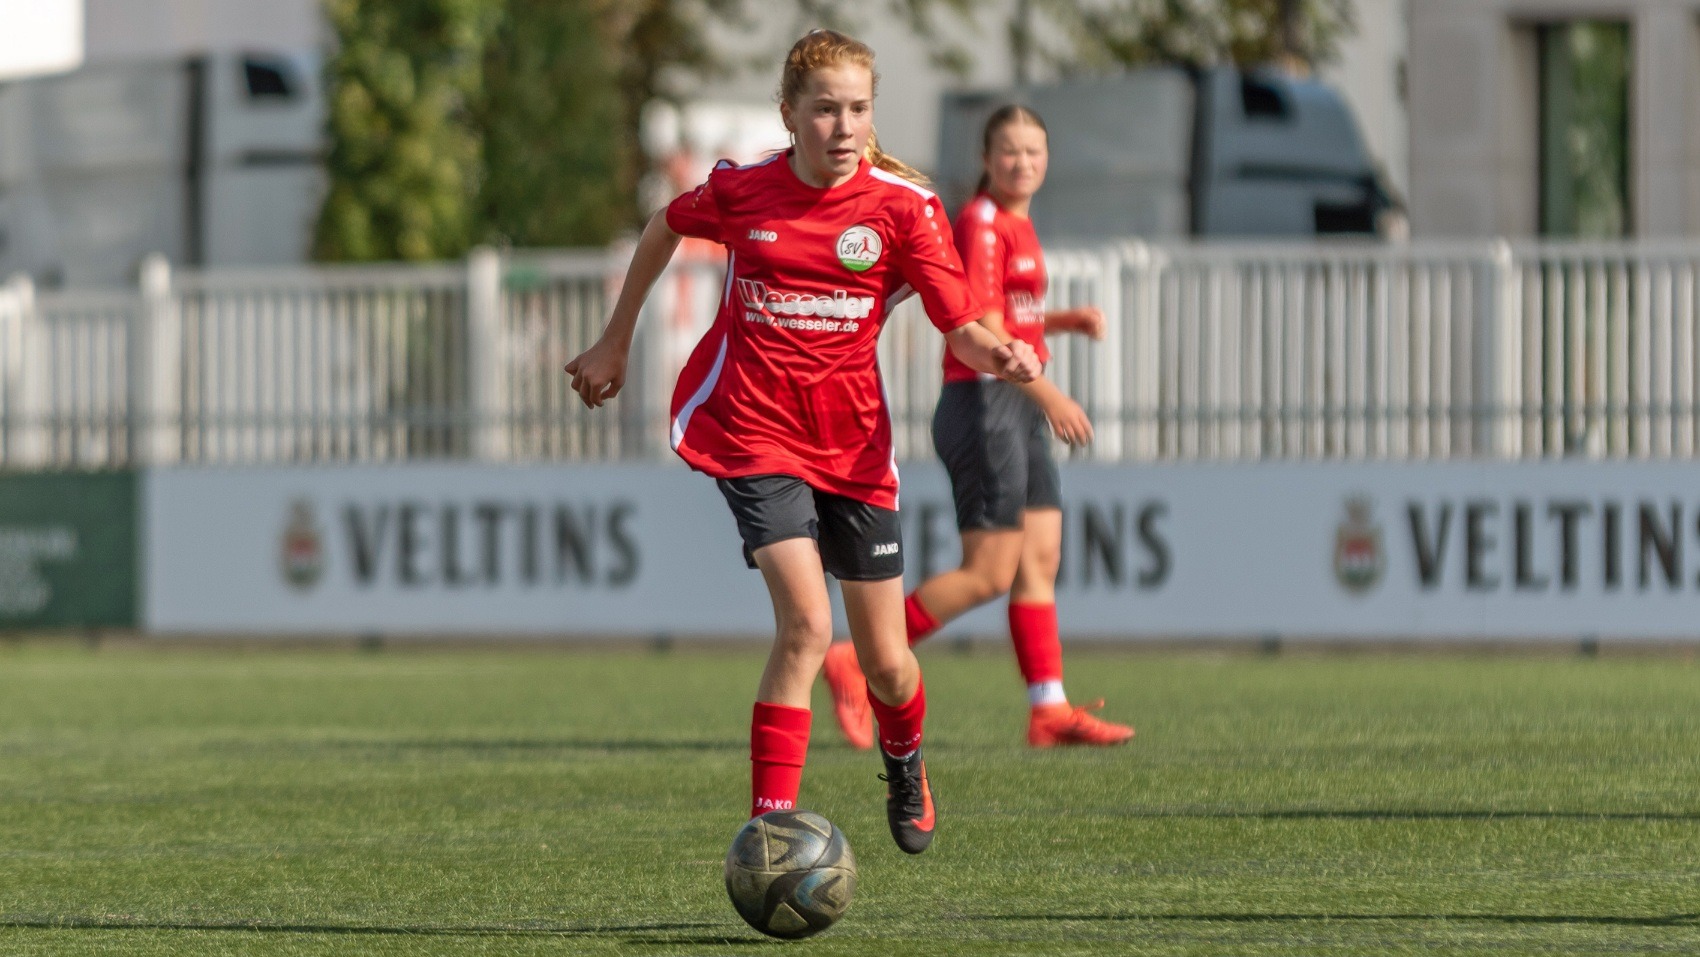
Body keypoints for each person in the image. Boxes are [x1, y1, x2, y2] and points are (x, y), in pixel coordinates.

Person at [563, 30, 1041, 855]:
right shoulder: (745, 192)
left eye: (858, 108)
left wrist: (995, 351)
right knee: (807, 628)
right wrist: (616, 339)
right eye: (825, 109)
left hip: (853, 446)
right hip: (754, 432)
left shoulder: (904, 209)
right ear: (789, 114)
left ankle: (904, 759)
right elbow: (661, 227)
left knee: (889, 664)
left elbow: (958, 326)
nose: (844, 125)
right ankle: (770, 829)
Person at [821, 105, 1136, 750]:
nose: (1023, 163)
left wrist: (1066, 321)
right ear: (987, 160)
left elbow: (1012, 315)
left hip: (1014, 401)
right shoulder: (983, 223)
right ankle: (857, 657)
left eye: (1034, 152)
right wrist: (1049, 396)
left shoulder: (1017, 223)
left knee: (1039, 560)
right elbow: (982, 327)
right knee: (990, 571)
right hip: (987, 403)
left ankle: (1048, 710)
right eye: (1010, 152)